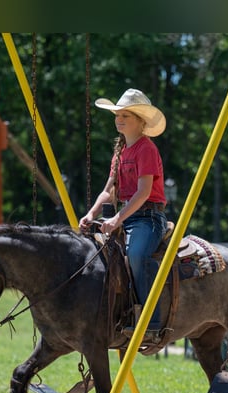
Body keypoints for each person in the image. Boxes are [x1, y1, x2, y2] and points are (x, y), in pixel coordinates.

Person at [79, 88, 168, 343]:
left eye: (126, 115)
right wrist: (91, 213)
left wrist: (117, 219)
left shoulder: (146, 149)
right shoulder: (119, 153)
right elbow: (109, 189)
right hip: (126, 215)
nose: (119, 118)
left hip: (148, 217)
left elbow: (143, 192)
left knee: (138, 256)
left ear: (141, 121)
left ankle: (151, 323)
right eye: (118, 114)